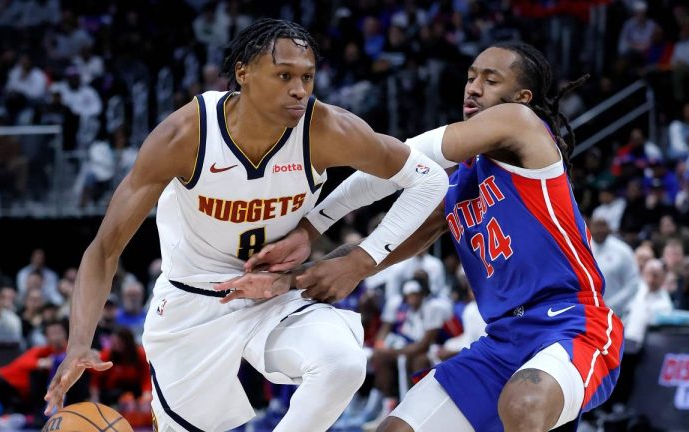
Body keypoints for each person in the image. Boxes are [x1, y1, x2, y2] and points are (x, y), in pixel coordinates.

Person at [43, 18, 448, 432]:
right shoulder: (185, 135)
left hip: (272, 292)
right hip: (191, 301)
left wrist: (361, 259)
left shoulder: (326, 128)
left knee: (341, 363)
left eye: (307, 77)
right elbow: (105, 249)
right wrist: (79, 342)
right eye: (284, 75)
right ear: (243, 74)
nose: (299, 89)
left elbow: (430, 178)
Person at [230, 41, 625, 431]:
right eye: (470, 78)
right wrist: (287, 279)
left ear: (521, 97)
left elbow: (404, 159)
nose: (473, 87)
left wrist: (314, 224)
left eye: (490, 80)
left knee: (523, 404)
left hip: (572, 324)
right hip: (502, 341)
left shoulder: (522, 126)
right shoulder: (458, 183)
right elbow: (379, 248)